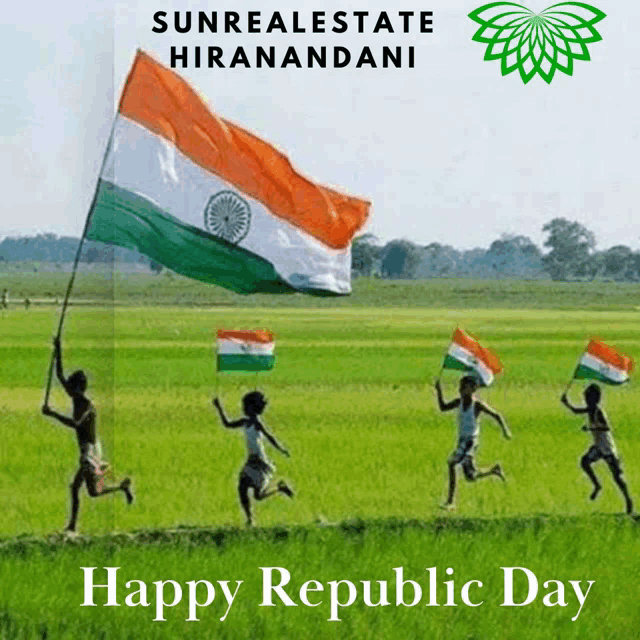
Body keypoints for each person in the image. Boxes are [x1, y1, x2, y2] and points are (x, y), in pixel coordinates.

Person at [42, 336, 133, 532]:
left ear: (79, 389)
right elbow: (59, 375)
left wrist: (52, 414)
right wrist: (58, 349)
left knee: (83, 489)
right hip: (87, 449)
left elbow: (75, 424)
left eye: (72, 388)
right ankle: (121, 487)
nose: (69, 391)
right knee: (85, 490)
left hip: (90, 451)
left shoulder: (87, 407)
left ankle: (73, 526)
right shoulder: (76, 398)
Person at [213, 392, 293, 526]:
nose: (243, 408)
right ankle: (250, 519)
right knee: (243, 487)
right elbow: (227, 424)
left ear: (253, 407)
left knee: (257, 495)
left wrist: (281, 449)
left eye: (246, 406)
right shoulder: (244, 422)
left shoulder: (256, 423)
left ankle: (279, 488)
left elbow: (269, 437)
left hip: (259, 461)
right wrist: (219, 408)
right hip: (251, 460)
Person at [435, 375, 511, 508]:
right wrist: (438, 390)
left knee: (452, 463)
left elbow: (496, 415)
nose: (460, 390)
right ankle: (494, 470)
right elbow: (443, 407)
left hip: (471, 442)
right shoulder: (459, 402)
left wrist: (505, 431)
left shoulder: (477, 405)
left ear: (472, 389)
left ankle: (450, 502)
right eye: (460, 387)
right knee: (470, 476)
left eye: (464, 387)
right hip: (462, 441)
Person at [561, 384, 633, 514]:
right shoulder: (590, 410)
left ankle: (628, 501)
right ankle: (597, 485)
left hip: (607, 447)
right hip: (599, 446)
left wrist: (590, 428)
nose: (585, 399)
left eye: (587, 397)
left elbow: (606, 427)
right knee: (584, 462)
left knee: (617, 476)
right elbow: (576, 411)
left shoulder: (598, 411)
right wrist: (567, 403)